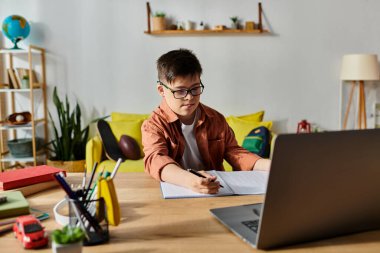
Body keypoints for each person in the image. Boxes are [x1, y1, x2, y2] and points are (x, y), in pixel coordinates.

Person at [142, 49, 271, 194]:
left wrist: (271, 165)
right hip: (179, 191)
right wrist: (190, 180)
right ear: (161, 90)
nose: (189, 97)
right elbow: (155, 159)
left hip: (215, 190)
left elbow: (235, 152)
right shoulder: (153, 125)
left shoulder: (215, 119)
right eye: (180, 91)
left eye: (195, 88)